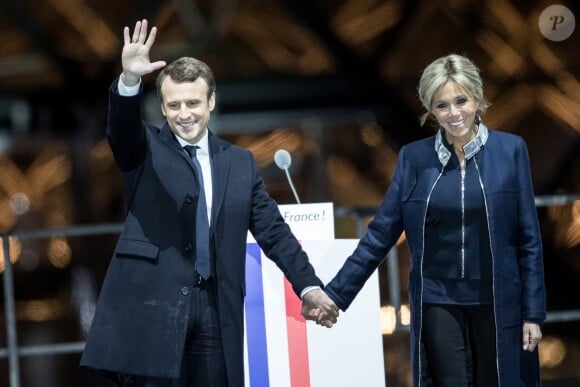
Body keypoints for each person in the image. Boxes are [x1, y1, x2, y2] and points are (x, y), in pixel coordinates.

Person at [80, 19, 338, 387]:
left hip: (217, 308)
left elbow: (273, 231)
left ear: (211, 102)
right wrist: (130, 82)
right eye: (174, 105)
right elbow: (121, 131)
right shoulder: (144, 149)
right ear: (163, 108)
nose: (184, 114)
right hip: (156, 308)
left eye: (192, 103)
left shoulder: (240, 162)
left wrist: (309, 286)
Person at [303, 54, 546, 386]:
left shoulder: (511, 151)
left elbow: (528, 240)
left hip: (498, 299)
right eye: (442, 105)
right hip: (438, 301)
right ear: (430, 109)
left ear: (476, 98)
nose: (454, 113)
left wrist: (533, 313)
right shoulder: (413, 159)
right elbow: (379, 235)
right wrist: (334, 294)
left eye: (461, 100)